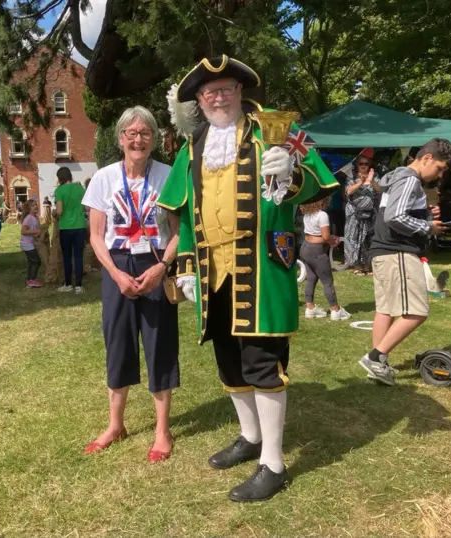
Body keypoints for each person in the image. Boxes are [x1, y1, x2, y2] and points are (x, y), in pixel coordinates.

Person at [157, 55, 338, 501]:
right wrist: (183, 267)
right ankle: (249, 436)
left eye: (226, 88)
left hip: (260, 266)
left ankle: (273, 464)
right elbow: (180, 212)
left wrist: (292, 172)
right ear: (200, 101)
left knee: (262, 363)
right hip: (211, 272)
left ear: (241, 92)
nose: (218, 96)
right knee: (228, 360)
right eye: (208, 91)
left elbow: (320, 186)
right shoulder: (192, 147)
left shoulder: (277, 133)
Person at [83, 106, 181, 463]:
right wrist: (115, 273)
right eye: (132, 133)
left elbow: (179, 232)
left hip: (156, 263)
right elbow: (96, 236)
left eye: (145, 133)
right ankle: (115, 425)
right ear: (121, 138)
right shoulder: (103, 179)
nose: (138, 139)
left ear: (153, 139)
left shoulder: (169, 176)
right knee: (119, 344)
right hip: (118, 266)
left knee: (160, 346)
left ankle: (161, 431)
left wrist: (162, 268)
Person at [359, 138, 451, 386]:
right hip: (397, 251)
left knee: (385, 309)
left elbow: (393, 209)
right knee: (417, 311)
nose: (440, 175)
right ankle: (375, 357)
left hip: (382, 251)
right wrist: (428, 227)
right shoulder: (410, 180)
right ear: (427, 158)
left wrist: (423, 213)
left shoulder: (396, 176)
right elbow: (395, 216)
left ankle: (378, 366)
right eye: (440, 168)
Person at [299, 198, 351, 320]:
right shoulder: (322, 215)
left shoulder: (307, 214)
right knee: (327, 281)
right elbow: (326, 236)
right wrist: (334, 240)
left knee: (311, 278)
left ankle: (310, 307)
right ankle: (335, 310)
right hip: (317, 251)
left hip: (305, 248)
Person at [344, 156, 381, 275]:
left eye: (366, 164)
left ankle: (368, 265)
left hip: (370, 213)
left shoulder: (374, 176)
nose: (364, 166)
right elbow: (348, 191)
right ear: (357, 165)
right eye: (361, 164)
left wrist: (371, 181)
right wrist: (361, 182)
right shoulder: (351, 176)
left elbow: (380, 190)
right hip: (354, 213)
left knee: (369, 239)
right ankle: (357, 266)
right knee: (354, 238)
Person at [54, 167, 86, 293]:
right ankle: (79, 286)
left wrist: (55, 214)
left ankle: (68, 284)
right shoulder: (80, 189)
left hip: (66, 227)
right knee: (78, 256)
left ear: (59, 178)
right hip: (80, 226)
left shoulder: (59, 191)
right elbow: (86, 208)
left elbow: (60, 211)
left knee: (67, 257)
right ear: (70, 176)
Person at [20, 199, 43, 288]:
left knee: (31, 262)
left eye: (36, 205)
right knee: (37, 261)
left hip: (30, 243)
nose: (35, 206)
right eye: (32, 206)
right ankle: (32, 280)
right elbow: (23, 231)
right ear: (28, 209)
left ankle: (29, 279)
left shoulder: (36, 218)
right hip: (26, 244)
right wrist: (35, 231)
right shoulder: (29, 218)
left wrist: (37, 234)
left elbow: (34, 231)